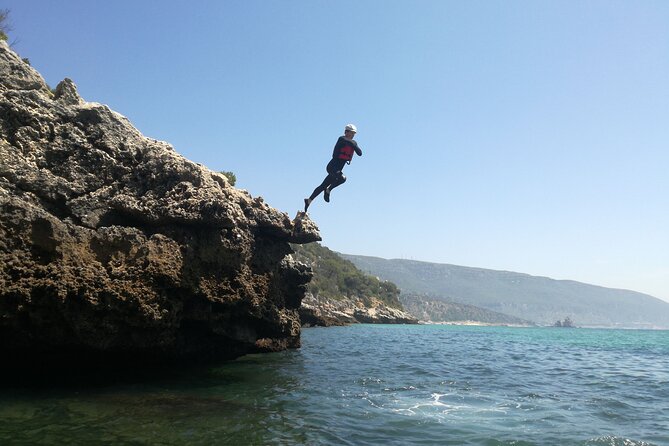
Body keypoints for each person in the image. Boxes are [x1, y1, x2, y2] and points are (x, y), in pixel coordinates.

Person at [304, 124, 362, 212]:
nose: (353, 135)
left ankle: (309, 200)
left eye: (354, 133)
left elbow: (360, 153)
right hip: (331, 167)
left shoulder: (353, 143)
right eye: (352, 133)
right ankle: (328, 190)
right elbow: (350, 143)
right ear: (346, 132)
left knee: (323, 186)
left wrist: (354, 144)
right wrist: (353, 144)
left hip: (337, 171)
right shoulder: (341, 139)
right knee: (342, 179)